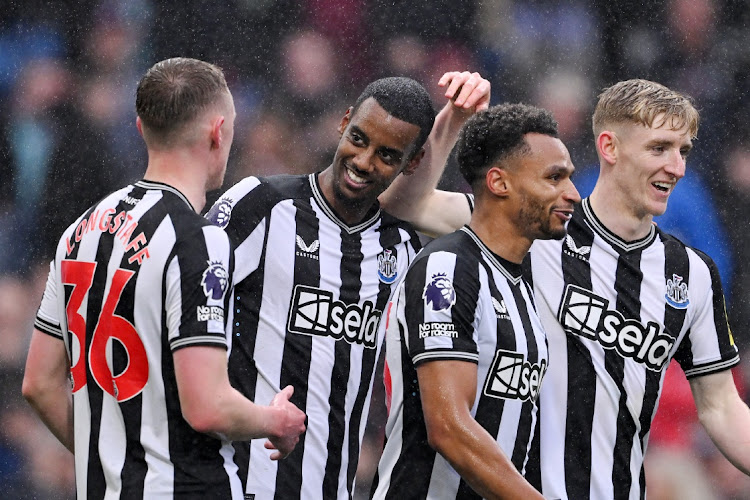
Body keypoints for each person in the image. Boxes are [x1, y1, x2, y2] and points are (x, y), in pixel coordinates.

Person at [381, 79, 750, 498]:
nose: (677, 166)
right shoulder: (534, 224)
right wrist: (454, 121)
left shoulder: (692, 273)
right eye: (659, 148)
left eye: (683, 151)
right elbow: (404, 205)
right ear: (609, 148)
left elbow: (721, 408)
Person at [21, 57, 306, 499]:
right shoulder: (198, 240)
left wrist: (108, 460)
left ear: (140, 128)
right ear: (218, 132)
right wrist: (277, 422)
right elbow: (207, 406)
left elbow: (38, 383)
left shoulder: (80, 231)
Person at [205, 71, 491, 499]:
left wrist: (454, 120)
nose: (363, 160)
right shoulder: (261, 204)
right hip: (237, 483)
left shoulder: (404, 244)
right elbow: (182, 302)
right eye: (358, 138)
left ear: (410, 164)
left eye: (387, 155)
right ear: (343, 122)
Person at [372, 103, 579, 499]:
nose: (571, 194)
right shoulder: (448, 269)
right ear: (499, 183)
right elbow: (448, 427)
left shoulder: (520, 282)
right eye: (554, 178)